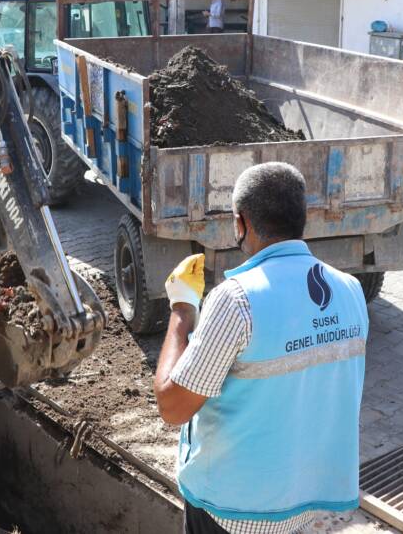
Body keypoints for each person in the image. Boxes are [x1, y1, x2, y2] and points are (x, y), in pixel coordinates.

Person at [153, 162, 369, 534]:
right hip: (303, 505)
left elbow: (173, 407)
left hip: (232, 511)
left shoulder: (236, 300)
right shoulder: (350, 290)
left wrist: (182, 311)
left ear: (241, 223)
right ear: (302, 218)